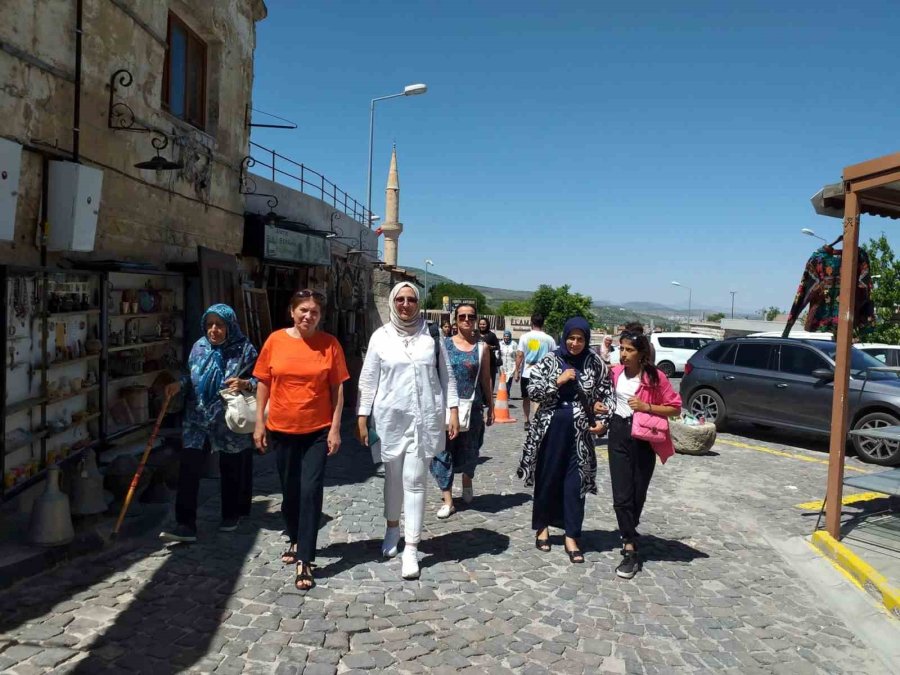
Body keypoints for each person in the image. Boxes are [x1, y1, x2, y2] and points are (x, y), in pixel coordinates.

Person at [357, 283, 460, 580]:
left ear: (418, 303)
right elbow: (368, 380)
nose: (405, 304)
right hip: (390, 419)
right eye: (400, 299)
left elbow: (447, 376)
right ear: (393, 302)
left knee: (414, 480)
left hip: (424, 418)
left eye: (411, 299)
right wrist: (362, 416)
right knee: (393, 477)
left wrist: (451, 411)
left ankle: (412, 547)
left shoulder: (431, 337)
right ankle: (392, 529)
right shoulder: (381, 337)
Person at [253, 289, 349, 591]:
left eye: (314, 312)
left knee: (310, 491)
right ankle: (295, 538)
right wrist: (259, 423)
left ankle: (305, 559)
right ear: (292, 312)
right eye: (303, 310)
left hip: (317, 431)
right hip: (281, 429)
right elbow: (263, 384)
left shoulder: (329, 345)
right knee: (290, 492)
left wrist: (334, 429)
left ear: (320, 317)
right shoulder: (275, 341)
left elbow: (338, 391)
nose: (308, 316)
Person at [517, 318, 614, 564]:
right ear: (564, 337)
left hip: (580, 435)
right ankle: (542, 528)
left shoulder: (595, 363)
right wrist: (557, 382)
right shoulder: (550, 360)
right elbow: (532, 391)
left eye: (580, 339)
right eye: (571, 338)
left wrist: (603, 419)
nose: (575, 343)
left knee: (575, 485)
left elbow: (608, 395)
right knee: (547, 478)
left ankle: (572, 536)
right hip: (550, 431)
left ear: (587, 340)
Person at [160, 304, 258, 543]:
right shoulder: (199, 347)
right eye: (210, 325)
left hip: (228, 418)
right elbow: (191, 374)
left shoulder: (244, 350)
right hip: (197, 417)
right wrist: (179, 384)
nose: (214, 330)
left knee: (231, 467)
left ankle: (231, 514)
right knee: (189, 467)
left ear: (230, 326)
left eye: (220, 325)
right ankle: (185, 524)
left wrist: (246, 384)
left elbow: (263, 379)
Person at [607, 330, 681, 579]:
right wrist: (600, 408)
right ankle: (629, 546)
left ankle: (630, 528)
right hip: (618, 432)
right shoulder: (614, 373)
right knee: (621, 494)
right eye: (621, 348)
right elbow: (606, 398)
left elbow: (675, 408)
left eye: (629, 350)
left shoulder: (654, 376)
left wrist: (647, 406)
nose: (624, 354)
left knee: (638, 492)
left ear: (642, 354)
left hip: (644, 438)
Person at [430, 304, 494, 518]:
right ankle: (447, 499)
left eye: (471, 316)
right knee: (442, 452)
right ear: (455, 320)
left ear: (476, 319)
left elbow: (486, 378)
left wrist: (491, 406)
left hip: (472, 408)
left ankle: (467, 480)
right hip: (446, 407)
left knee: (470, 450)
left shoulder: (482, 348)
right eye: (462, 316)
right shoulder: (443, 345)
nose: (467, 319)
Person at [515, 313, 557, 429]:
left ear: (531, 323)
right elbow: (555, 357)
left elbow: (519, 355)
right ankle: (537, 420)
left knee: (526, 397)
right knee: (539, 398)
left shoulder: (525, 337)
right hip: (543, 374)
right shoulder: (549, 339)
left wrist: (516, 371)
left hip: (527, 373)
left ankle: (526, 420)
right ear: (543, 323)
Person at [477, 317, 501, 392]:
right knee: (478, 381)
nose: (482, 326)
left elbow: (498, 347)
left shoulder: (492, 335)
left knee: (489, 381)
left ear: (487, 325)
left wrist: (490, 347)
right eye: (480, 324)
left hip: (490, 363)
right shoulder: (475, 334)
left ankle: (488, 400)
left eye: (484, 324)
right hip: (477, 362)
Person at [498, 330, 519, 397]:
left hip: (511, 365)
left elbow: (517, 355)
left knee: (509, 380)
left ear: (510, 337)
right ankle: (504, 393)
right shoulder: (500, 343)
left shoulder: (514, 344)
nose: (506, 337)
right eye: (505, 336)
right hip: (502, 365)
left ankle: (507, 393)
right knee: (503, 380)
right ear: (503, 337)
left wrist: (517, 368)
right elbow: (497, 354)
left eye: (508, 336)